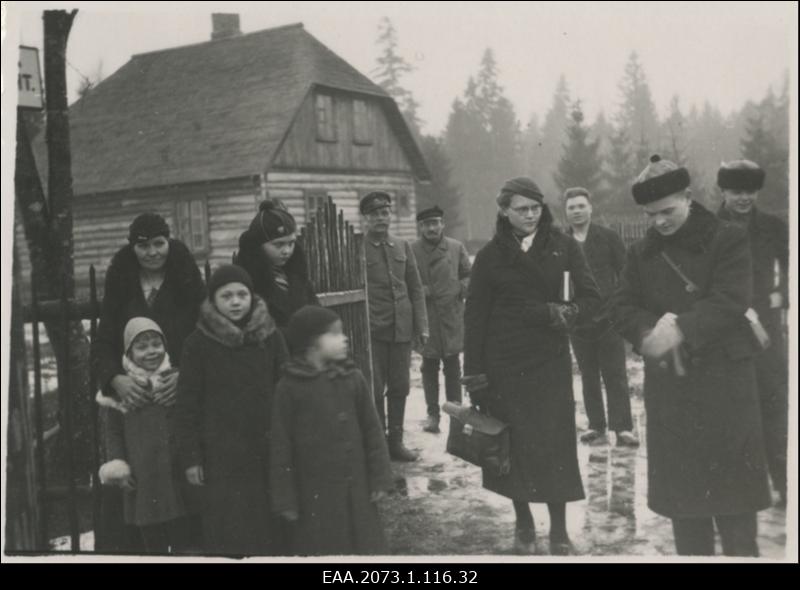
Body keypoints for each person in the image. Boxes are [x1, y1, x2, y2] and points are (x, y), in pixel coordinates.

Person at [611, 155, 772, 556]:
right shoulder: (641, 253)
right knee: (688, 520)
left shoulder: (727, 238)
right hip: (674, 399)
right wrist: (650, 328)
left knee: (737, 521)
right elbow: (620, 307)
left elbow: (732, 298)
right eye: (651, 215)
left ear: (688, 196)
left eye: (667, 211)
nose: (659, 222)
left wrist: (680, 326)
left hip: (726, 394)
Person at [463, 177, 600, 555]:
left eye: (535, 208)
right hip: (503, 364)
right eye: (521, 209)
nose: (529, 215)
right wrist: (474, 372)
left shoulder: (564, 247)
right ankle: (523, 524)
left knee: (555, 446)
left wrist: (567, 313)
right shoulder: (490, 256)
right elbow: (474, 316)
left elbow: (590, 297)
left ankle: (559, 531)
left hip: (548, 363)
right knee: (514, 447)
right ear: (504, 211)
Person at [94, 212, 206, 552]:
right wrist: (116, 379)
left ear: (168, 242)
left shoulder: (185, 280)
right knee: (142, 494)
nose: (153, 252)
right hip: (137, 402)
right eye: (144, 246)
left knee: (185, 495)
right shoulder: (123, 284)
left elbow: (206, 335)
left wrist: (185, 375)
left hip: (178, 397)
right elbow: (105, 340)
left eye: (159, 243)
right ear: (134, 248)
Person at [175, 265, 288, 556]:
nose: (235, 302)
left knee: (270, 531)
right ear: (213, 301)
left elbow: (286, 390)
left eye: (242, 294)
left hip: (266, 451)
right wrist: (191, 458)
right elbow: (186, 406)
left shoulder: (270, 337)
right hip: (221, 457)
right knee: (228, 532)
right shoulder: (198, 344)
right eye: (226, 296)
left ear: (252, 296)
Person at [270, 305, 393, 555]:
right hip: (315, 499)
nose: (344, 339)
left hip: (357, 494)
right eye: (335, 334)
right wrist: (286, 499)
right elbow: (280, 446)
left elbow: (372, 431)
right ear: (312, 343)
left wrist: (379, 477)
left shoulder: (353, 378)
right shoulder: (289, 387)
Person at [716, 160, 788, 507]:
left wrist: (784, 294)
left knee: (774, 406)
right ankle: (736, 489)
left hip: (766, 330)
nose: (744, 198)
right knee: (730, 411)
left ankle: (786, 484)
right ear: (723, 192)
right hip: (725, 329)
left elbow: (792, 264)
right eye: (736, 191)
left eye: (750, 191)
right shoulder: (710, 227)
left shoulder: (773, 226)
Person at [98, 318, 196, 554]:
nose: (151, 351)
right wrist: (120, 466)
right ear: (129, 353)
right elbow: (113, 433)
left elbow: (191, 420)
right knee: (153, 545)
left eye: (156, 344)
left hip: (175, 472)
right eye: (141, 347)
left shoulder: (174, 380)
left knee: (185, 540)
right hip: (143, 479)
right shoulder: (123, 390)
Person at [562, 187, 638, 448]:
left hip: (609, 318)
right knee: (588, 374)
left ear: (590, 208)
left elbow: (626, 273)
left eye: (581, 206)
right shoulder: (560, 243)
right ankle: (596, 426)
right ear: (566, 212)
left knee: (615, 373)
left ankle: (623, 428)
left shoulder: (608, 237)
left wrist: (619, 305)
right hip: (578, 320)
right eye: (572, 207)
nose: (577, 211)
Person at [361, 191, 428, 462]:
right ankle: (378, 446)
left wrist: (421, 326)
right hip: (373, 330)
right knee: (375, 389)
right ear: (365, 218)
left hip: (401, 329)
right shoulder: (358, 247)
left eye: (385, 213)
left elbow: (415, 288)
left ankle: (396, 443)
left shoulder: (402, 246)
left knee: (400, 386)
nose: (381, 218)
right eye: (375, 214)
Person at [411, 206, 472, 434]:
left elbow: (468, 275)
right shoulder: (412, 250)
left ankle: (456, 415)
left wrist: (458, 287)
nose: (432, 228)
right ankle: (432, 415)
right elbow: (406, 280)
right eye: (427, 224)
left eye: (435, 223)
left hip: (451, 314)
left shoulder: (456, 247)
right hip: (426, 315)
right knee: (429, 365)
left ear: (442, 224)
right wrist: (421, 291)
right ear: (421, 227)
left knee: (453, 365)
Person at [236, 200, 319, 329]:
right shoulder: (246, 282)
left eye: (291, 243)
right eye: (278, 244)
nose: (286, 251)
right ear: (259, 246)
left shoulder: (297, 278)